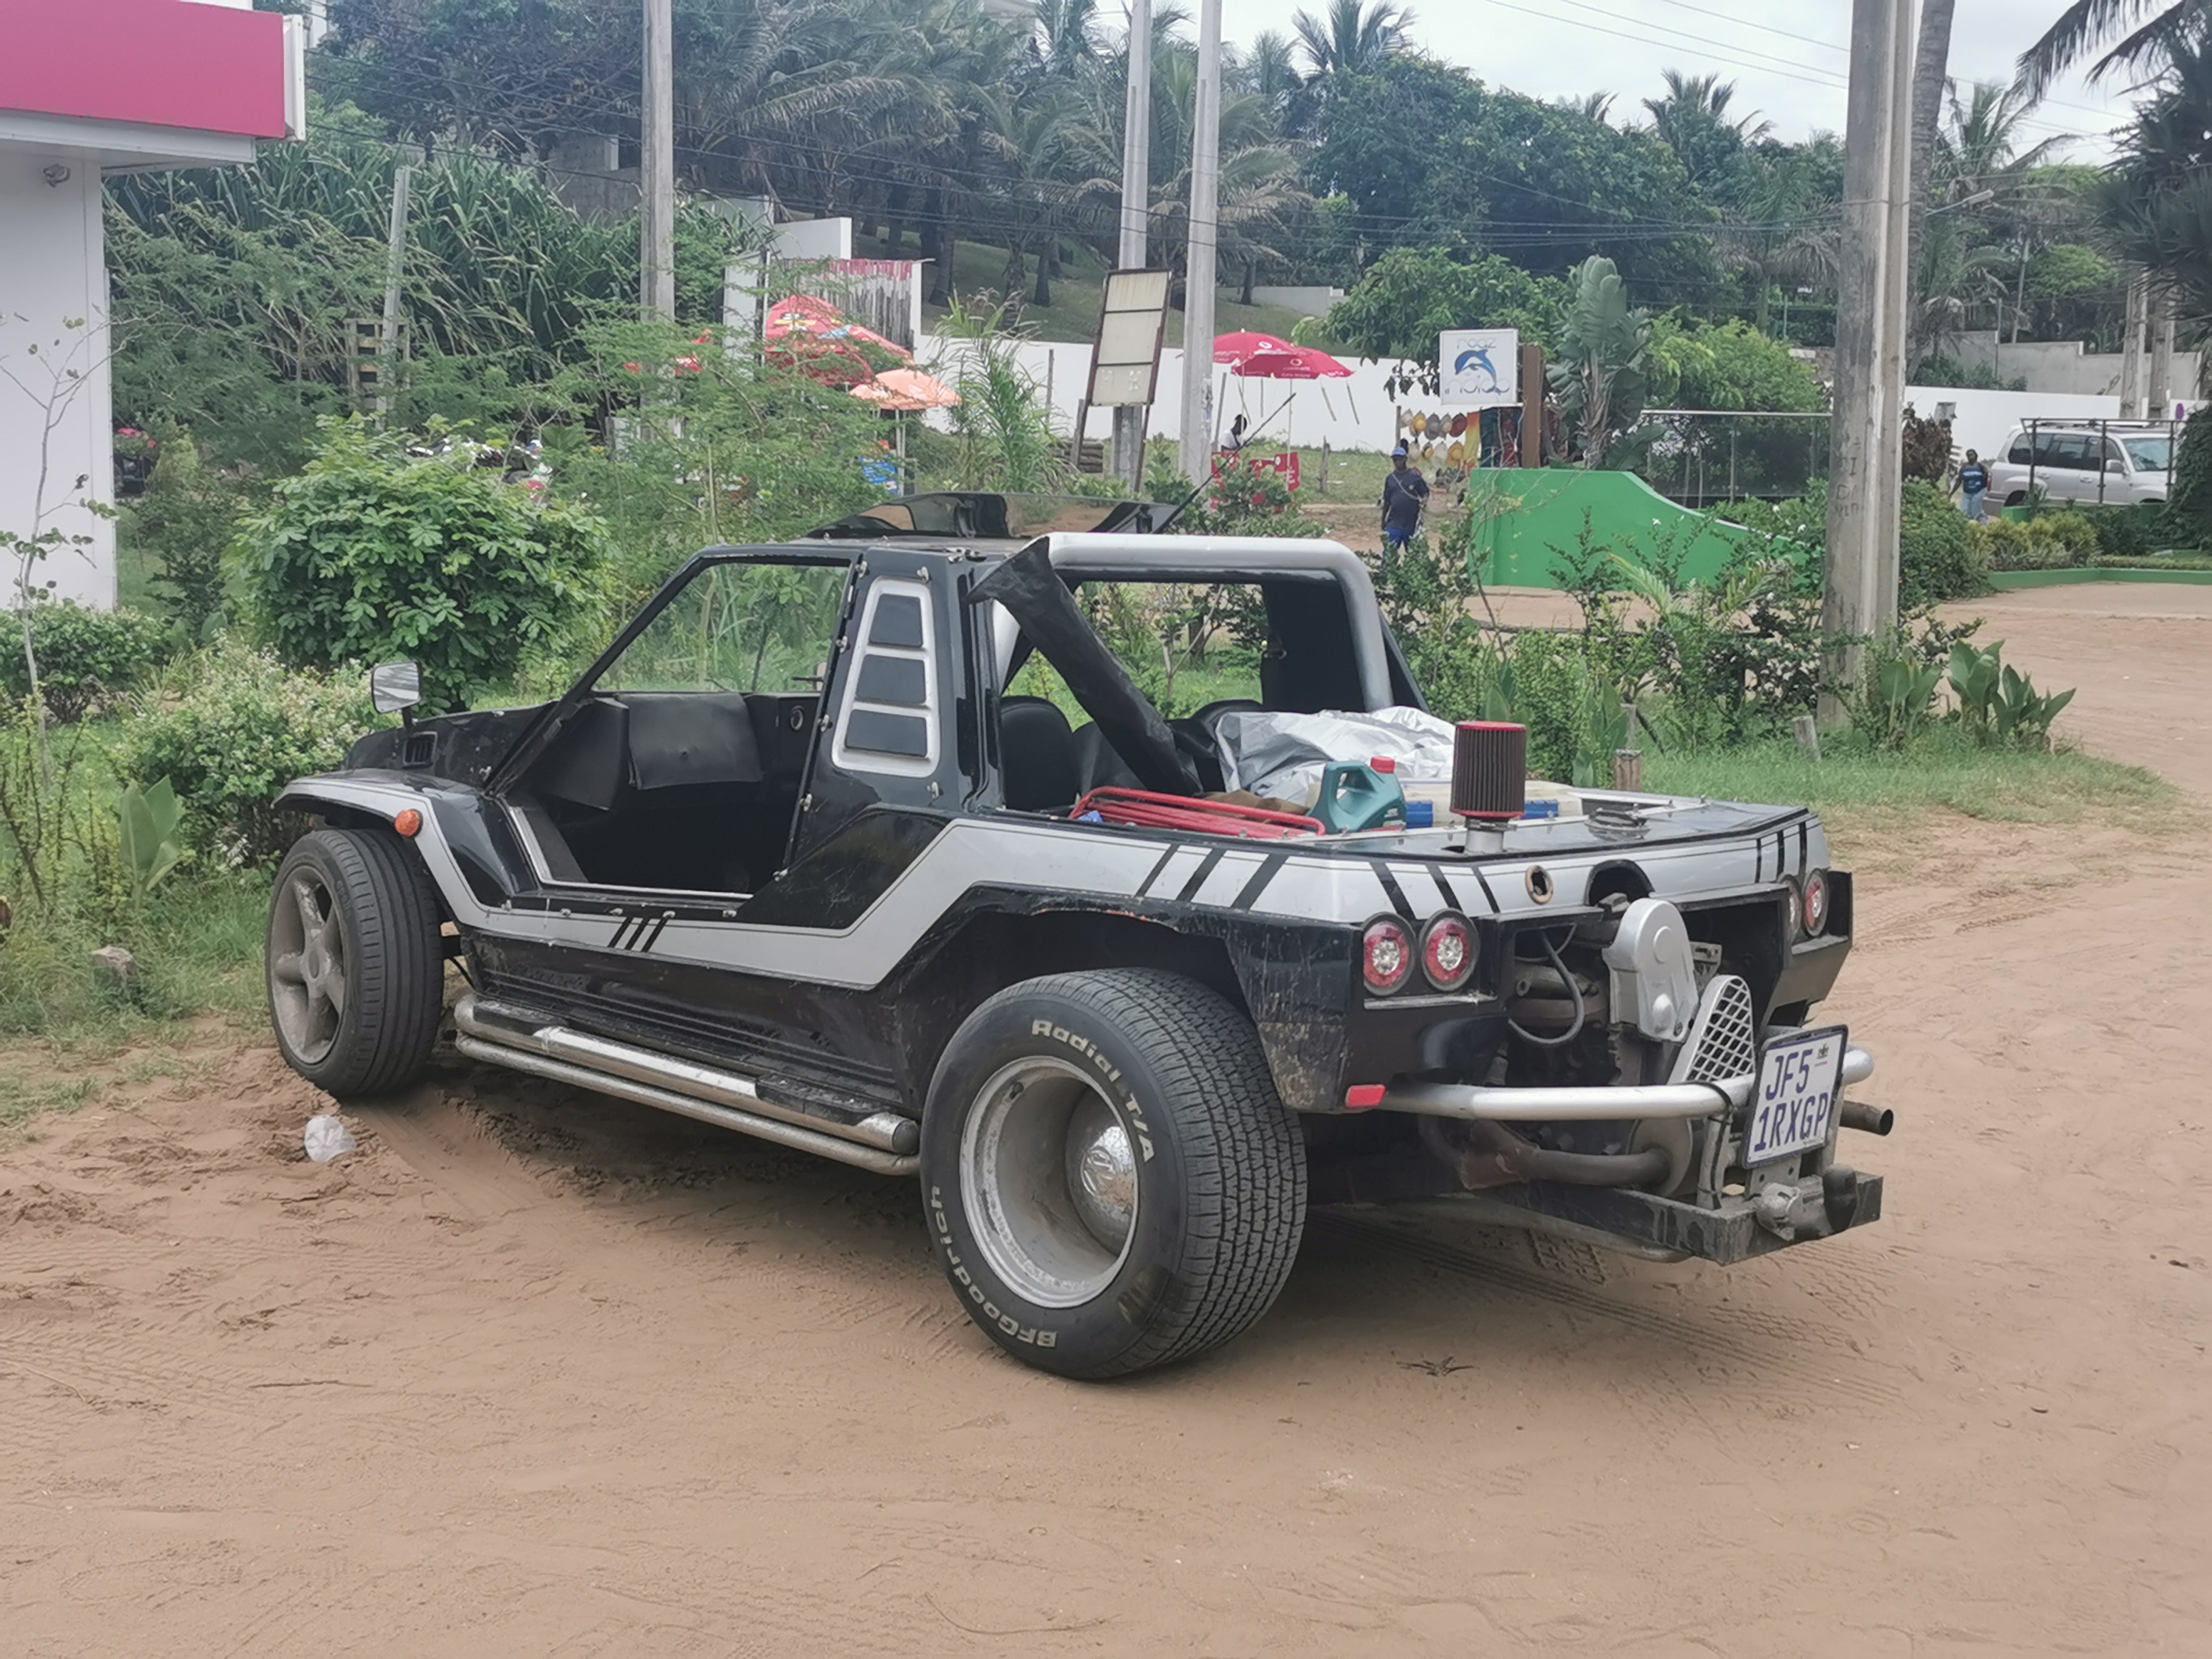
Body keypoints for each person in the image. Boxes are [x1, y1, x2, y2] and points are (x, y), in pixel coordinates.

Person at [1379, 441, 1430, 563]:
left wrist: (1424, 502)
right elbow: (1387, 502)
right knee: (1389, 556)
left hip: (1411, 524)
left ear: (1405, 459)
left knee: (1413, 557)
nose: (1398, 462)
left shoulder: (1415, 477)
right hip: (1394, 523)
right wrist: (1383, 521)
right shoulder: (1390, 479)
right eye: (1395, 460)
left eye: (1400, 459)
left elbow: (1425, 493)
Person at [1958, 449, 1989, 522]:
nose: (1970, 457)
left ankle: (1981, 523)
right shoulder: (1964, 467)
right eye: (1968, 455)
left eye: (1972, 455)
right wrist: (1951, 493)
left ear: (1976, 456)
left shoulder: (1980, 467)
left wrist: (1984, 490)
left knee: (1976, 512)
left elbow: (1986, 478)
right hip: (1967, 493)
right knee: (1964, 512)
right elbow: (1959, 481)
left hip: (1978, 492)